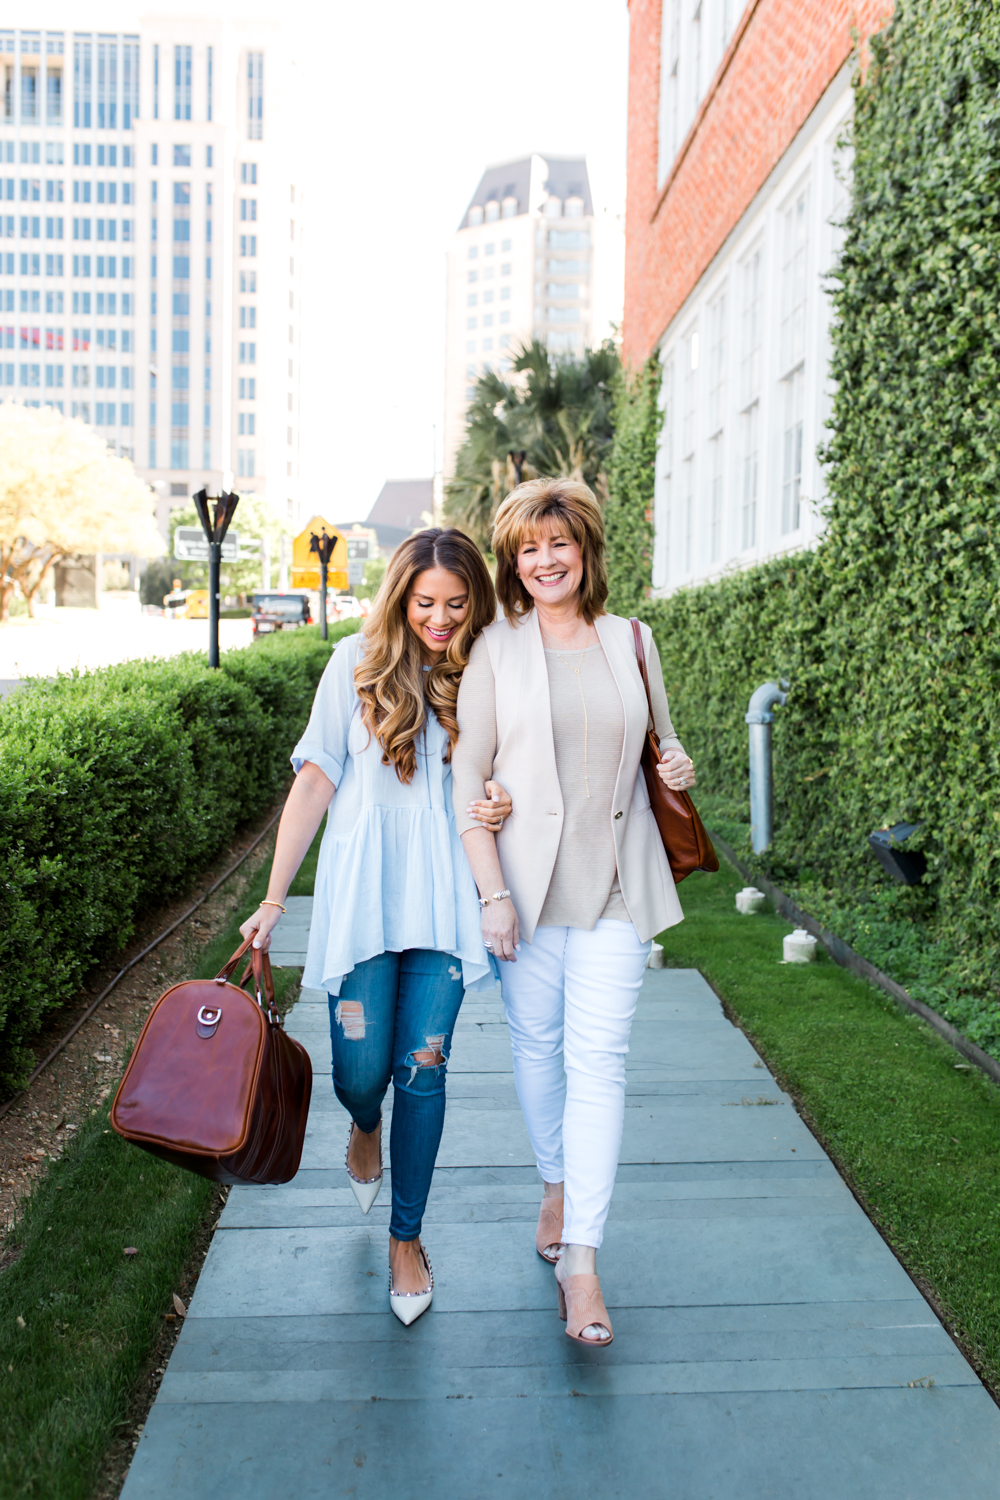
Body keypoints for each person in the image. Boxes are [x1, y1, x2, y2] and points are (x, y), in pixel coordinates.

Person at [241, 528, 512, 1326]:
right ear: (401, 597)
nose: (440, 618)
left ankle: (407, 1238)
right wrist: (273, 898)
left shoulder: (487, 671)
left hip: (446, 901)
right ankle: (364, 1127)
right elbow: (318, 778)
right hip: (364, 902)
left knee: (423, 1069)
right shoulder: (353, 665)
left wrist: (499, 798)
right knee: (361, 1072)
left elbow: (508, 773)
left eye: (457, 605)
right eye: (426, 602)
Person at [451, 478, 696, 1348]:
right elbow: (466, 775)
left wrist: (677, 770)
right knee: (537, 1048)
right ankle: (555, 1180)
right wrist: (492, 894)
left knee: (601, 1062)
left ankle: (582, 1262)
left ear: (585, 550)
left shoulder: (634, 639)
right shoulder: (493, 647)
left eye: (559, 544)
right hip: (524, 889)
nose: (545, 560)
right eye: (528, 548)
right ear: (514, 562)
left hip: (616, 888)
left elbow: (662, 746)